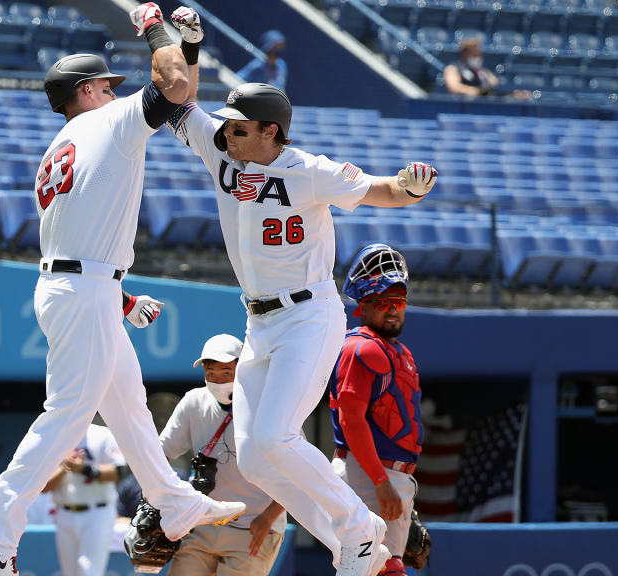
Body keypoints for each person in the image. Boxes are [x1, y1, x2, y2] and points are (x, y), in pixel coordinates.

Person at [0, 4, 245, 575]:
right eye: (107, 85)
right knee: (69, 413)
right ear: (87, 89)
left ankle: (172, 499)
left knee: (130, 408)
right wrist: (156, 30)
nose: (115, 93)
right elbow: (174, 86)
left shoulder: (63, 143)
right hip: (81, 288)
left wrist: (119, 300)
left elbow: (178, 99)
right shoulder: (107, 122)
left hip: (81, 284)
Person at [164, 13, 438, 576]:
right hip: (257, 325)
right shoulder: (223, 152)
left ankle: (361, 531)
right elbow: (180, 105)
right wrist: (188, 47)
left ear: (273, 132)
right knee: (260, 458)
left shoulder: (308, 170)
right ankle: (352, 544)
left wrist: (410, 186)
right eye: (230, 126)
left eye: (242, 127)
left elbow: (381, 190)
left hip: (308, 316)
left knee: (272, 436)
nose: (229, 133)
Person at [329, 244, 422, 576]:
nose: (393, 310)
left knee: (383, 567)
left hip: (389, 476)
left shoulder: (397, 350)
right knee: (375, 568)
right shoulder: (361, 347)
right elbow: (350, 419)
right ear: (363, 309)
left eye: (398, 303)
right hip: (367, 474)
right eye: (383, 303)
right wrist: (381, 482)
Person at [160, 334, 287, 576]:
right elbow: (161, 455)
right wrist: (162, 501)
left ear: (242, 368)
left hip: (254, 526)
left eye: (226, 372)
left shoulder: (269, 405)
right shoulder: (194, 401)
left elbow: (298, 472)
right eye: (211, 374)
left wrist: (269, 518)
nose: (218, 380)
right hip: (201, 524)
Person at [42, 424, 125, 576]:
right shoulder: (54, 432)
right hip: (65, 513)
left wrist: (85, 469)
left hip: (97, 512)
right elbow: (44, 487)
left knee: (89, 571)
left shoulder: (102, 433)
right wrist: (64, 467)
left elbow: (118, 473)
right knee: (70, 573)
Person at [443, 38, 530, 99]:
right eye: (473, 54)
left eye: (478, 54)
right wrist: (475, 91)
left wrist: (513, 94)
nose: (477, 57)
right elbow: (454, 87)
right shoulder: (453, 68)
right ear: (464, 54)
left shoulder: (484, 71)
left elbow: (495, 85)